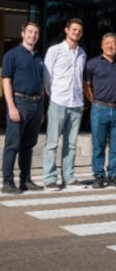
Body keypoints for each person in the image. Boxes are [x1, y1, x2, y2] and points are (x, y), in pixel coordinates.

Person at [42, 18, 86, 190]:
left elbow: (80, 78)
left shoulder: (82, 53)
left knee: (71, 143)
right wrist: (53, 95)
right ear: (67, 30)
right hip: (58, 101)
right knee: (52, 142)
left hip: (76, 102)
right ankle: (49, 178)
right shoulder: (55, 50)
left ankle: (69, 176)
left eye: (79, 31)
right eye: (74, 29)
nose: (76, 33)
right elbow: (47, 76)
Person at [2, 22, 44, 194]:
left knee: (28, 146)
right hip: (20, 103)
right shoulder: (12, 55)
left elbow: (42, 84)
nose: (32, 35)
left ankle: (25, 180)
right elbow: (6, 81)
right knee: (12, 144)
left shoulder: (40, 57)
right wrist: (11, 106)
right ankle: (7, 181)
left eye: (36, 33)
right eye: (30, 32)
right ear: (23, 34)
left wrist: (42, 109)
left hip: (36, 104)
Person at [84, 33, 116, 189]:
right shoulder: (92, 64)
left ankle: (114, 175)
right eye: (107, 43)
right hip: (99, 108)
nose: (111, 46)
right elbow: (87, 84)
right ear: (102, 46)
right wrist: (93, 101)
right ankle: (98, 175)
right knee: (98, 144)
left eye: (114, 43)